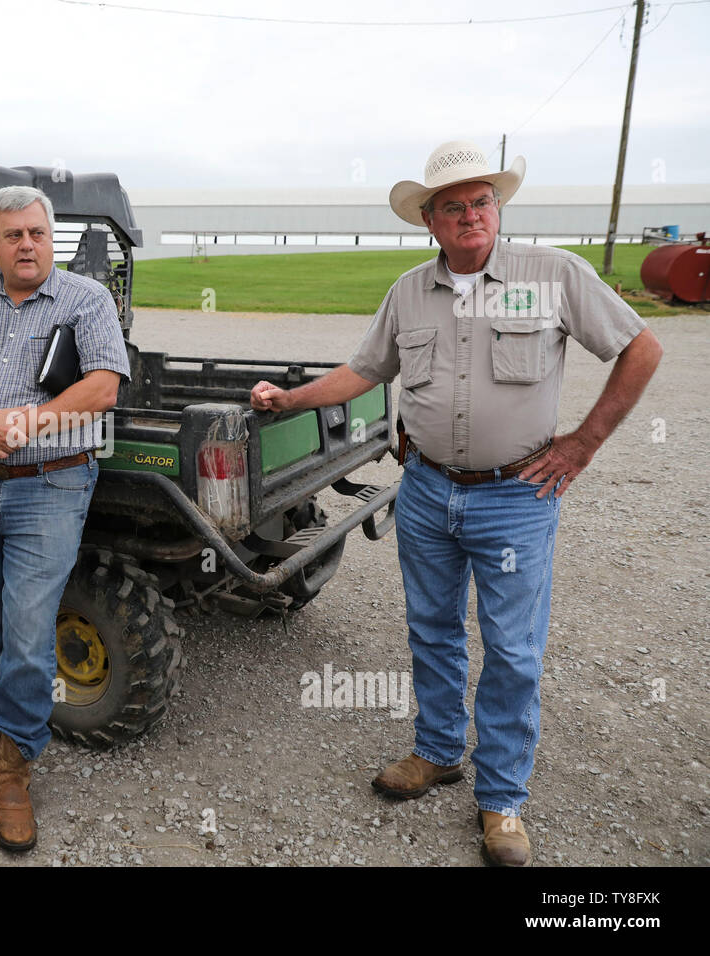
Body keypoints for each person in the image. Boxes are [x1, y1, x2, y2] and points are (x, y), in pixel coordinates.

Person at [250, 142, 662, 865]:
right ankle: (438, 751)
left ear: (497, 210)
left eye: (481, 202)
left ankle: (502, 800)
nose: (470, 215)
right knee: (432, 629)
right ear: (428, 221)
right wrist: (290, 399)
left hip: (516, 498)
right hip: (428, 490)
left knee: (511, 649)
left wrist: (582, 445)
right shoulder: (411, 291)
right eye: (452, 206)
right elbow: (364, 370)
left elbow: (641, 348)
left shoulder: (551, 275)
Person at [0, 186, 130, 851]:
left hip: (52, 481)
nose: (27, 245)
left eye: (37, 233)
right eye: (13, 236)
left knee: (29, 634)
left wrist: (18, 428)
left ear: (51, 237)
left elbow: (102, 386)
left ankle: (14, 772)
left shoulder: (86, 300)